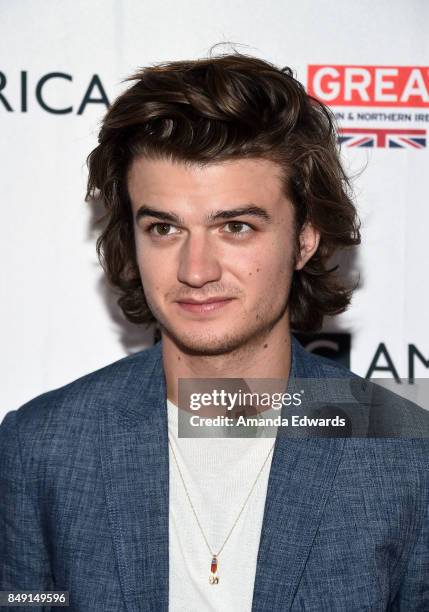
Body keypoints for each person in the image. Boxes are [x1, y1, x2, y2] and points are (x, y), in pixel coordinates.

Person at [0, 51, 428, 612]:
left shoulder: (406, 455)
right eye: (163, 227)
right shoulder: (43, 447)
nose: (195, 270)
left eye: (235, 226)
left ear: (304, 239)